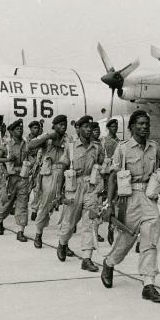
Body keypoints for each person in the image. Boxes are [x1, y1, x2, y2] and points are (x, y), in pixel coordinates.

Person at [101, 110, 160, 303]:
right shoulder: (123, 148)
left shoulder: (154, 147)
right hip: (128, 198)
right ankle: (109, 262)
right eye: (140, 124)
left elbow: (154, 172)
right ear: (131, 127)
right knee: (126, 239)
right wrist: (110, 204)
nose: (145, 127)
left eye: (147, 124)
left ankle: (148, 284)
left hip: (148, 197)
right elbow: (113, 176)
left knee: (151, 236)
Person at [56, 116, 104, 271]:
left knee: (89, 223)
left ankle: (87, 259)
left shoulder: (97, 147)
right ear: (79, 128)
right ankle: (63, 243)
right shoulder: (70, 146)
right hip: (73, 187)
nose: (89, 129)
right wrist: (59, 193)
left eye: (90, 127)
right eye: (85, 127)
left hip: (91, 187)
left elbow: (103, 165)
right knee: (69, 223)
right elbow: (62, 169)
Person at [27, 114, 72, 253]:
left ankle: (64, 243)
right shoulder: (47, 138)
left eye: (65, 124)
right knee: (45, 205)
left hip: (66, 175)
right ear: (54, 125)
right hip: (50, 175)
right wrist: (47, 136)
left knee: (68, 211)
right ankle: (38, 234)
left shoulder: (68, 140)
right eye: (60, 124)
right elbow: (30, 145)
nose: (63, 127)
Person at [0, 119, 30, 241]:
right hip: (10, 179)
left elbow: (31, 156)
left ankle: (20, 231)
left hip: (23, 178)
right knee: (6, 203)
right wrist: (7, 160)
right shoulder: (6, 145)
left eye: (21, 129)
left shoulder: (26, 144)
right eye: (17, 129)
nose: (20, 131)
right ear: (12, 132)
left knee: (22, 205)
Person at [102, 118, 120, 244]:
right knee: (110, 201)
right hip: (108, 175)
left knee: (118, 201)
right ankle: (110, 227)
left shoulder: (119, 141)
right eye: (112, 126)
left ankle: (113, 226)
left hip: (119, 174)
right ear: (108, 128)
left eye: (116, 126)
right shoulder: (104, 141)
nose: (115, 128)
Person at [26, 120, 42, 221]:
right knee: (25, 189)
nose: (36, 130)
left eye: (38, 128)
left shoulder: (41, 139)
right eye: (34, 128)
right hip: (28, 167)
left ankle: (34, 210)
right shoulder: (26, 140)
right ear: (30, 129)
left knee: (38, 189)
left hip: (38, 167)